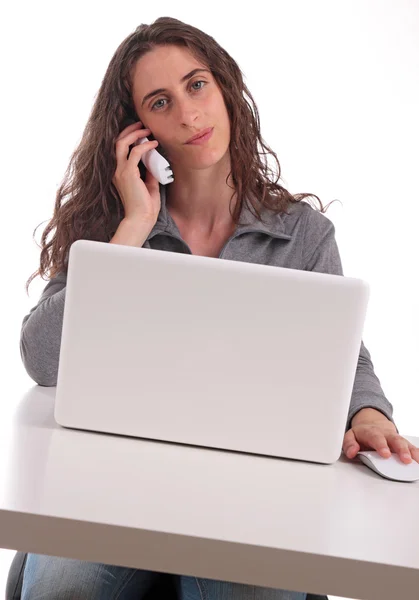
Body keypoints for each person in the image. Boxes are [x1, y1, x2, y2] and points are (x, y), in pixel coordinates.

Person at [19, 15, 418, 600]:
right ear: (138, 129)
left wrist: (369, 416)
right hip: (114, 484)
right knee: (62, 586)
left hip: (252, 493)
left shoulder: (303, 234)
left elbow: (342, 356)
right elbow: (43, 357)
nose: (187, 113)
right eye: (160, 101)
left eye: (196, 85)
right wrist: (132, 230)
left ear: (226, 88)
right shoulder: (109, 229)